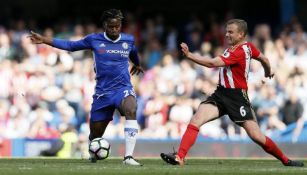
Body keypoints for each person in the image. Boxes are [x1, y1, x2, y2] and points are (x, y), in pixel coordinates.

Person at [160, 19, 304, 167]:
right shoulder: (247, 47)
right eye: (226, 31)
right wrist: (268, 71)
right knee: (196, 119)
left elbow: (212, 63)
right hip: (221, 93)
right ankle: (180, 157)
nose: (227, 34)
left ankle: (286, 160)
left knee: (256, 136)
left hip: (237, 97)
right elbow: (264, 59)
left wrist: (189, 55)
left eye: (231, 32)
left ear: (241, 34)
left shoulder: (239, 51)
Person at [29, 9, 143, 166]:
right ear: (105, 26)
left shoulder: (128, 40)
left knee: (131, 108)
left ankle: (128, 157)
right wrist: (44, 40)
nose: (115, 30)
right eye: (111, 27)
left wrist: (137, 63)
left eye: (117, 26)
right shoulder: (94, 40)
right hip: (102, 94)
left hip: (122, 88)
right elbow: (70, 45)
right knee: (95, 134)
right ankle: (94, 152)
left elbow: (133, 51)